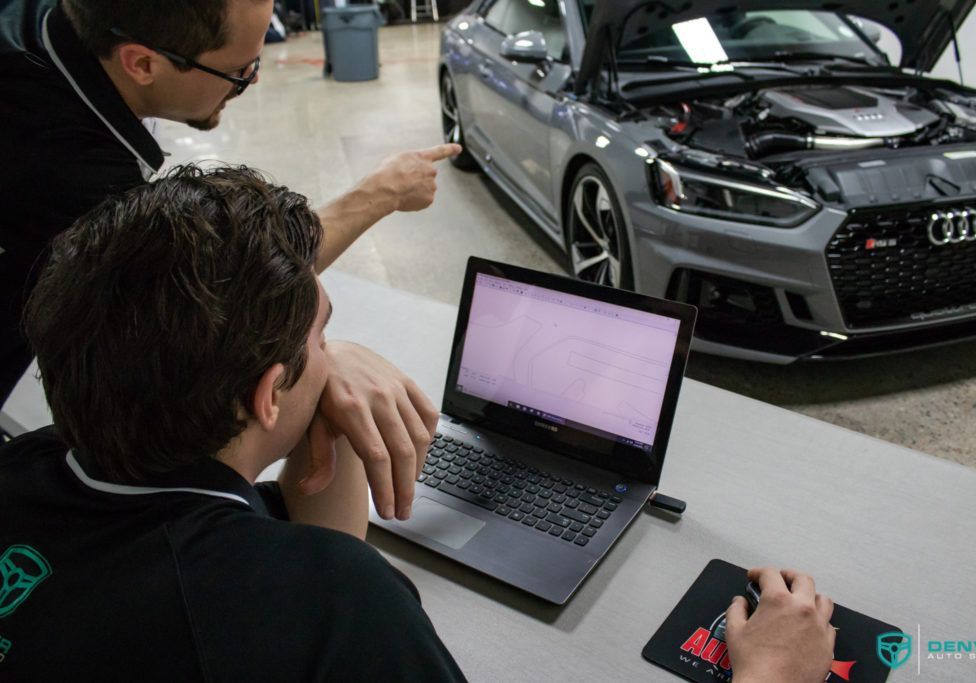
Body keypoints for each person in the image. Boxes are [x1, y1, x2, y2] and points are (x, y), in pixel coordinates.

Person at [0, 165, 837, 681]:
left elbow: (318, 556)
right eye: (325, 333)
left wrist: (325, 406)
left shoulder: (35, 463)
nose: (337, 354)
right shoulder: (333, 606)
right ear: (264, 397)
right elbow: (326, 588)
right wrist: (770, 676)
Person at [0, 0, 460, 511]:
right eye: (239, 72)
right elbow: (216, 288)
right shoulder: (60, 163)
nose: (253, 82)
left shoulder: (54, 27)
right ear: (142, 63)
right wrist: (322, 359)